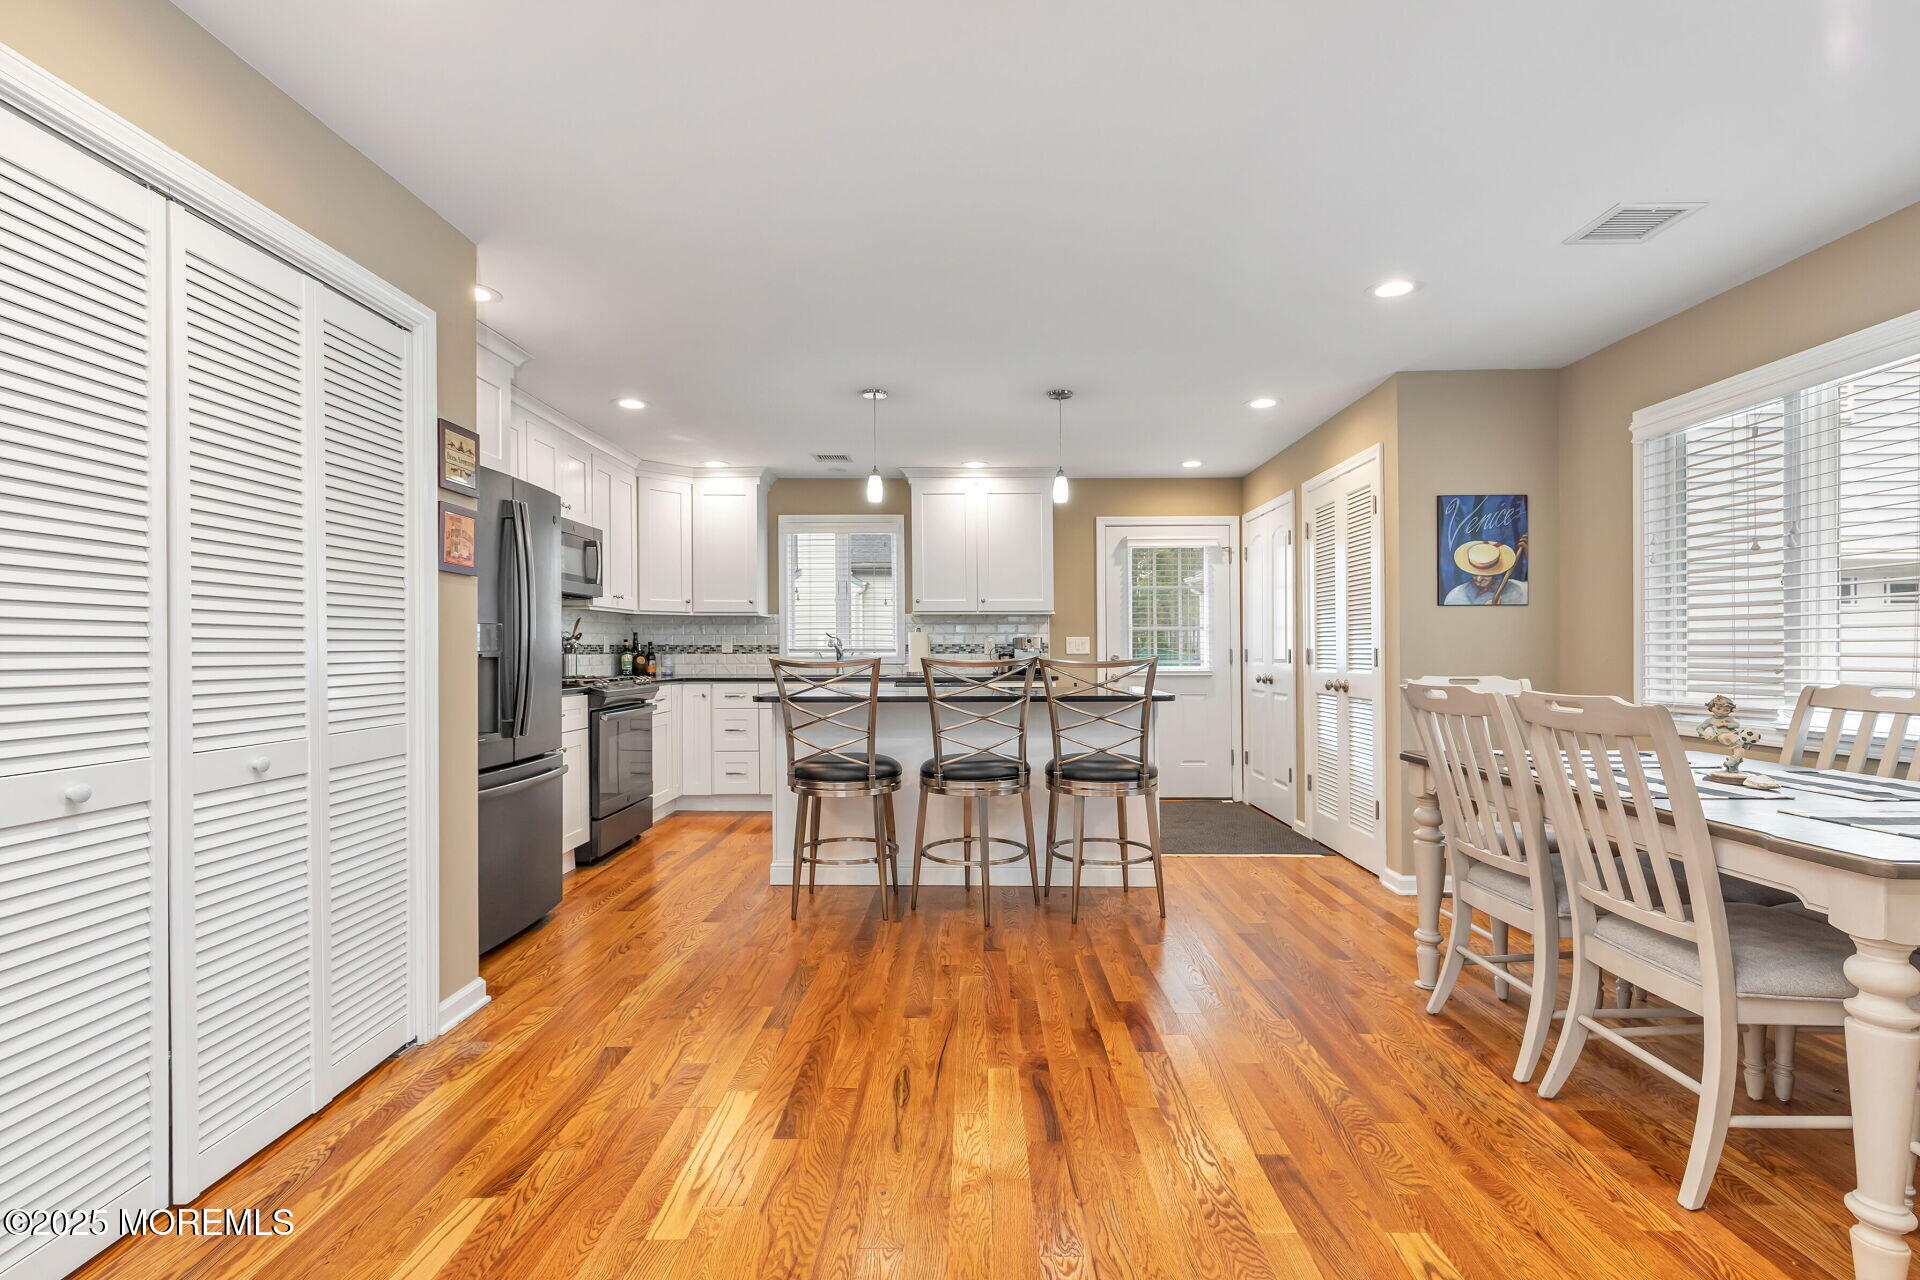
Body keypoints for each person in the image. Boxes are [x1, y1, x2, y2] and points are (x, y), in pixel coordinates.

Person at [1444, 533, 1527, 605]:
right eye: (1474, 573)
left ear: (1495, 571)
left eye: (1485, 575)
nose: (1479, 579)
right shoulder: (1454, 596)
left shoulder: (1518, 590)